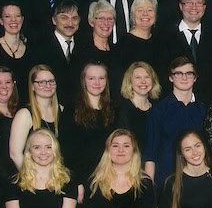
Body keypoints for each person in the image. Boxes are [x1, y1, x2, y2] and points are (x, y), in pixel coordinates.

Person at [143, 56, 206, 189]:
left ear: (195, 78)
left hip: (197, 180)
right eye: (178, 73)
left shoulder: (203, 110)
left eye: (189, 73)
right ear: (171, 78)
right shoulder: (158, 111)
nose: (184, 78)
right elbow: (150, 154)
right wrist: (150, 190)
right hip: (166, 181)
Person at [62, 62, 117, 196]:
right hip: (81, 180)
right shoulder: (71, 110)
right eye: (91, 78)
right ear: (83, 81)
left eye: (101, 78)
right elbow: (66, 150)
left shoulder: (115, 109)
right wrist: (77, 182)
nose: (97, 83)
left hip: (109, 177)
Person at [163, 0, 212, 105]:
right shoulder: (165, 37)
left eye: (198, 3)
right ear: (181, 6)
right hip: (175, 104)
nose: (194, 7)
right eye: (188, 2)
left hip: (209, 103)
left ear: (204, 7)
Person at [9, 65, 62, 171]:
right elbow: (15, 154)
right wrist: (33, 177)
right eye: (41, 82)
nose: (48, 85)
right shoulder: (24, 114)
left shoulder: (61, 110)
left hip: (57, 174)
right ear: (33, 86)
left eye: (51, 81)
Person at [29, 0, 82, 103]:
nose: (70, 23)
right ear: (54, 20)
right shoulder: (40, 48)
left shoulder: (83, 47)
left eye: (74, 18)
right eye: (64, 18)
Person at [0, 2, 34, 89]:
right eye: (7, 16)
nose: (13, 20)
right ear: (1, 21)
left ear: (22, 19)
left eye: (17, 16)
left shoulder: (32, 50)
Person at [114, 0, 166, 84]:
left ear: (155, 16)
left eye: (150, 10)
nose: (145, 14)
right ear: (133, 16)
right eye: (140, 10)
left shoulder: (160, 42)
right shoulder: (124, 43)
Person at [115, 61, 162, 156]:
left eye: (147, 77)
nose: (143, 81)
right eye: (138, 77)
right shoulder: (123, 110)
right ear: (130, 81)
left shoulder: (158, 109)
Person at [71, 0, 116, 72]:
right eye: (101, 19)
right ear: (91, 22)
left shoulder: (117, 51)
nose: (106, 23)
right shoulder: (82, 50)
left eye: (110, 19)